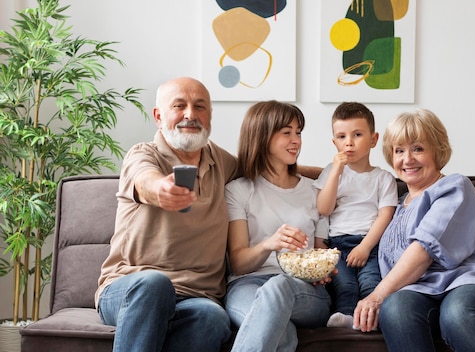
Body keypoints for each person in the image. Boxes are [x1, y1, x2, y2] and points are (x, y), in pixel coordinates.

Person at [353, 109, 475, 352]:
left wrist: (377, 296)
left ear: (437, 150)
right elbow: (341, 181)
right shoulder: (394, 208)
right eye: (399, 150)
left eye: (418, 148)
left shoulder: (454, 187)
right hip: (419, 292)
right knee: (396, 309)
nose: (407, 159)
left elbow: (424, 250)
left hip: (472, 282)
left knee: (457, 313)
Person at [95, 77, 237, 352]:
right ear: (159, 116)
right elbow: (144, 180)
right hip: (130, 288)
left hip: (196, 297)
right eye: (179, 106)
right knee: (155, 284)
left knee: (213, 319)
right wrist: (161, 188)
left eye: (200, 106)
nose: (190, 115)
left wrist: (331, 174)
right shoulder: (142, 155)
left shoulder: (221, 162)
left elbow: (270, 170)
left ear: (210, 116)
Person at [224, 100, 332, 352]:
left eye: (298, 132)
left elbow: (320, 249)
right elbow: (239, 263)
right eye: (287, 132)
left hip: (302, 289)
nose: (296, 140)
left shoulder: (314, 191)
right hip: (247, 284)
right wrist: (269, 244)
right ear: (262, 136)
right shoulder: (239, 190)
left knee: (279, 286)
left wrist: (321, 269)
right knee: (280, 331)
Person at [312, 102, 397, 328]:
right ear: (334, 142)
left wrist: (365, 247)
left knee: (371, 283)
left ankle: (373, 319)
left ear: (373, 139)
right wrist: (336, 171)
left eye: (357, 134)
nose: (348, 142)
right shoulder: (331, 172)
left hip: (370, 245)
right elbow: (323, 209)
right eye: (341, 137)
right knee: (345, 286)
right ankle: (346, 317)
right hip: (337, 246)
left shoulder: (383, 178)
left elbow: (385, 215)